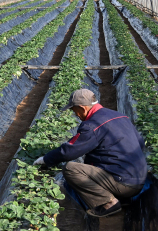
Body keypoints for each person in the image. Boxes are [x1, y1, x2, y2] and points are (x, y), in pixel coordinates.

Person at [34, 89, 147, 217]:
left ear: (82, 108)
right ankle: (122, 197)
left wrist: (46, 159)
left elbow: (69, 151)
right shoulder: (120, 116)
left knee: (71, 169)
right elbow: (140, 144)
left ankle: (109, 203)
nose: (75, 115)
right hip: (139, 180)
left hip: (124, 184)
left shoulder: (92, 125)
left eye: (74, 110)